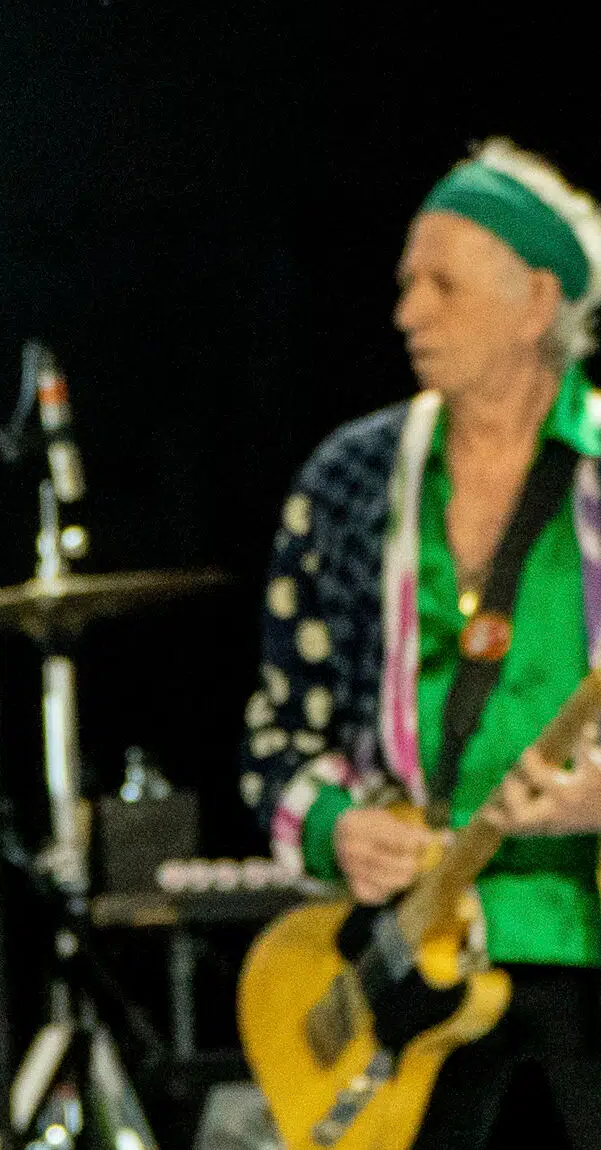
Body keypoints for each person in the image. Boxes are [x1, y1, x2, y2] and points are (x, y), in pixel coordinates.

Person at [248, 140, 601, 1148]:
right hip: (410, 975)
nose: (407, 313)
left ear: (536, 302)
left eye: (441, 285)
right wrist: (337, 828)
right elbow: (275, 741)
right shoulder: (350, 480)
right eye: (406, 284)